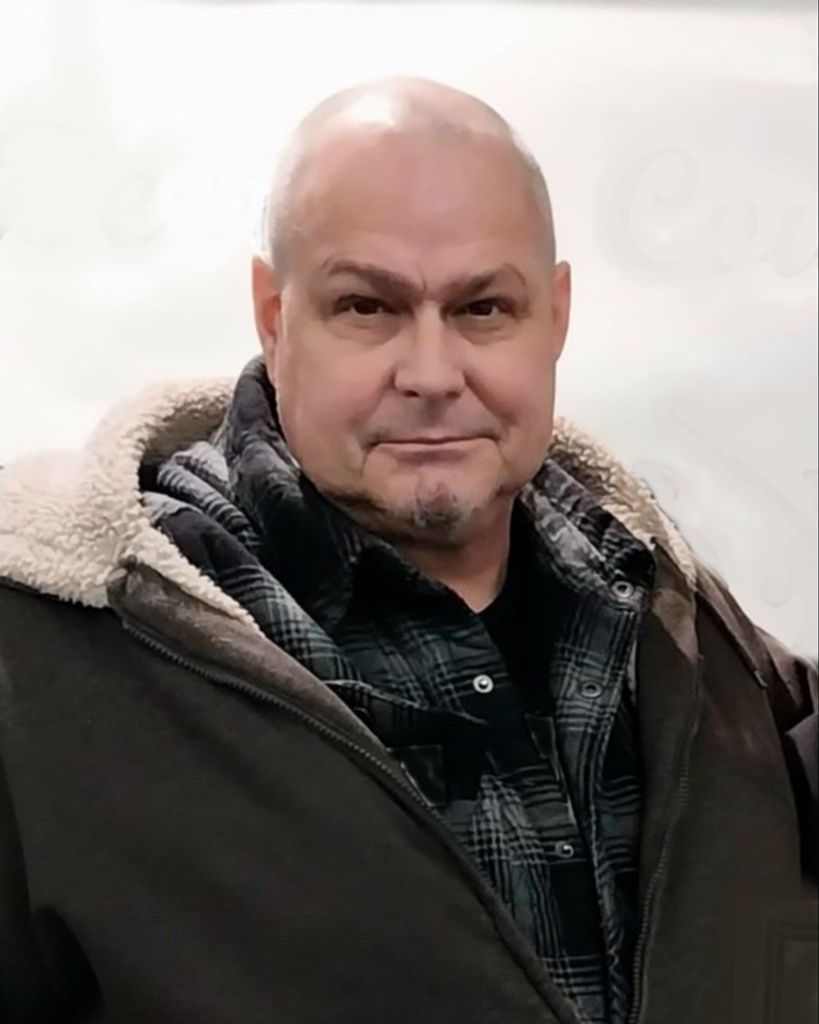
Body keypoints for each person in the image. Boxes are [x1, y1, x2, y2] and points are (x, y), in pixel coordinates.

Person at [0, 77, 815, 1024]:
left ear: (555, 317)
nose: (431, 374)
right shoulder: (51, 667)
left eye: (483, 309)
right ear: (273, 315)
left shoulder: (684, 632)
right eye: (366, 307)